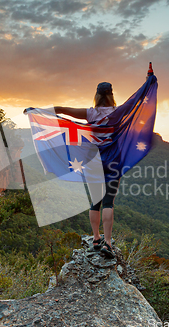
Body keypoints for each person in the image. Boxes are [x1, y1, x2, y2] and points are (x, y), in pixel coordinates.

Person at [53, 82, 118, 259]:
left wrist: (38, 111)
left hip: (93, 161)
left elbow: (62, 110)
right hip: (112, 162)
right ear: (111, 95)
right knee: (109, 201)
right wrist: (149, 80)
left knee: (95, 201)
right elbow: (139, 103)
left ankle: (96, 239)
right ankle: (108, 243)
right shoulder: (119, 112)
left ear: (97, 95)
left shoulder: (90, 113)